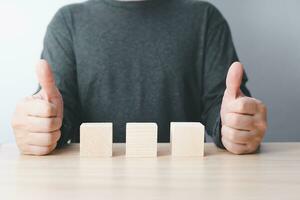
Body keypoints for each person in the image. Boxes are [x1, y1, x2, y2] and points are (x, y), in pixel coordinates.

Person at [11, 0, 267, 156]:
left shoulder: (205, 18)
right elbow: (59, 110)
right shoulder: (68, 21)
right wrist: (42, 123)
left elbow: (221, 108)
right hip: (91, 184)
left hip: (185, 184)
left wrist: (236, 125)